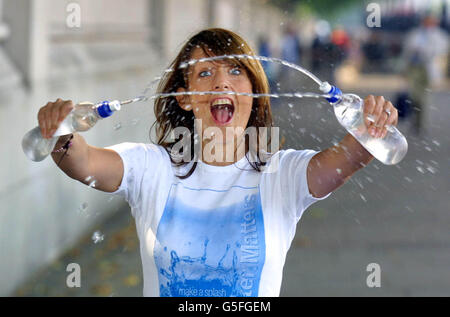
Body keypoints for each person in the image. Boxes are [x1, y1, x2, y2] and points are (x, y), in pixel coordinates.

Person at [37, 28, 399, 297]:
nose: (222, 83)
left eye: (236, 71)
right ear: (184, 98)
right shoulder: (152, 168)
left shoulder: (282, 176)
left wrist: (371, 130)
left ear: (255, 92)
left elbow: (352, 155)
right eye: (206, 73)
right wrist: (60, 133)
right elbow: (81, 162)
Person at [402, 15, 448, 135]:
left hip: (427, 69)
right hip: (414, 68)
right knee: (414, 96)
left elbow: (441, 51)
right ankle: (415, 121)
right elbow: (407, 51)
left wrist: (426, 51)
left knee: (424, 97)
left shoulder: (439, 36)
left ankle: (421, 124)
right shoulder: (415, 34)